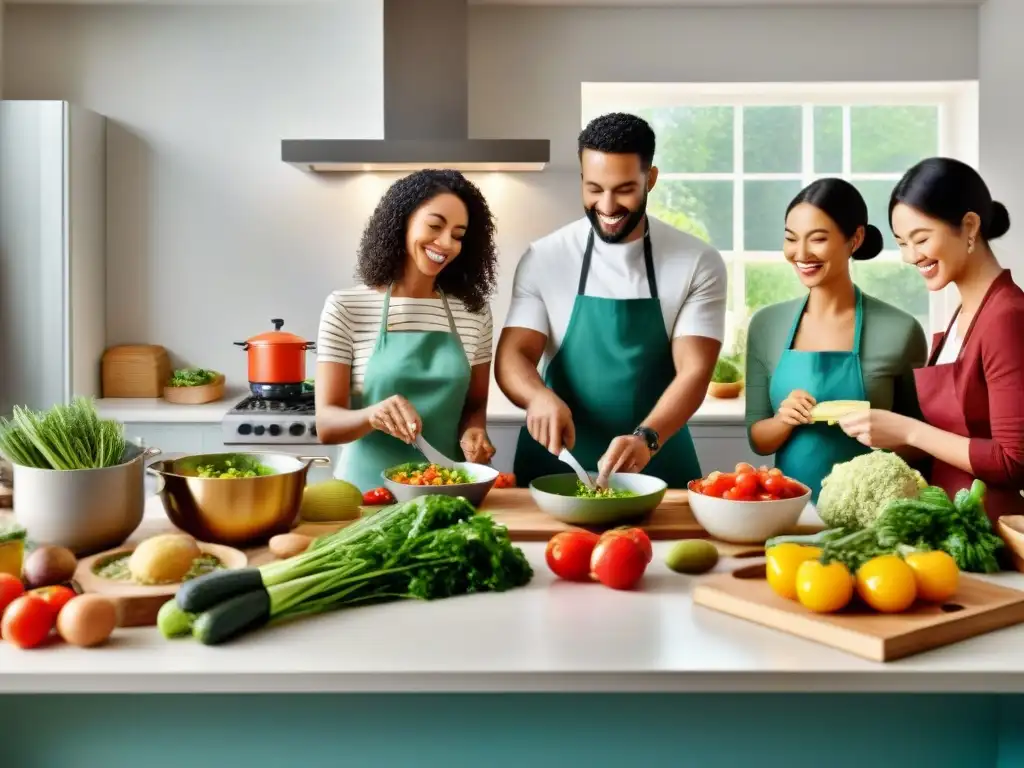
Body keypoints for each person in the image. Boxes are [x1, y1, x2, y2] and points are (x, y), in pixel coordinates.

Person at [494, 112, 727, 489]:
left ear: (650, 179)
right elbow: (513, 355)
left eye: (623, 189)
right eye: (594, 188)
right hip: (557, 463)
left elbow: (694, 372)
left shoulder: (697, 261)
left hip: (657, 458)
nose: (606, 205)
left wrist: (647, 438)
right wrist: (536, 396)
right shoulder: (545, 257)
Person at [839, 158, 1024, 522]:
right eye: (902, 243)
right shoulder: (963, 313)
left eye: (921, 238)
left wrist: (908, 430)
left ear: (969, 226)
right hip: (947, 518)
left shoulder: (1007, 317)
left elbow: (1014, 461)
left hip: (987, 532)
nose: (911, 256)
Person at [314, 169, 499, 491]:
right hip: (363, 495)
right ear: (402, 222)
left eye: (458, 234)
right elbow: (327, 424)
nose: (446, 243)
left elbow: (474, 405)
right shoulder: (346, 307)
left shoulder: (473, 313)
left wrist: (475, 430)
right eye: (434, 226)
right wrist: (372, 415)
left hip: (448, 488)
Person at [745, 179, 928, 502]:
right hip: (789, 511)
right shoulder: (766, 325)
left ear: (855, 239)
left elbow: (920, 446)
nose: (800, 254)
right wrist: (783, 420)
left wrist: (881, 435)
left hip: (873, 516)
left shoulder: (900, 330)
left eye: (817, 239)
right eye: (790, 239)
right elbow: (759, 440)